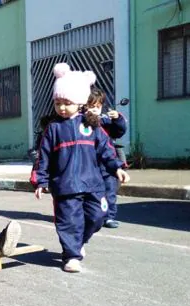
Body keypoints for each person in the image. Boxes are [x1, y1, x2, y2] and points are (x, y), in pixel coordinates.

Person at [32, 63, 130, 273]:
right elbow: (43, 157)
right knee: (69, 222)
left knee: (97, 216)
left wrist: (117, 168)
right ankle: (71, 255)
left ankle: (78, 242)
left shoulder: (92, 125)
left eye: (67, 103)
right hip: (65, 187)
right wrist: (40, 180)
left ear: (79, 102)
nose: (62, 108)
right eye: (58, 103)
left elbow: (106, 150)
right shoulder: (53, 129)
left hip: (93, 184)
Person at [86, 88, 128, 229]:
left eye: (97, 106)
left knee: (110, 190)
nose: (94, 110)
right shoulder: (80, 122)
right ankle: (89, 215)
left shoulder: (105, 121)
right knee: (90, 192)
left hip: (107, 164)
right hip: (88, 164)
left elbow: (119, 130)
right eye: (90, 106)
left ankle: (109, 217)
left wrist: (118, 118)